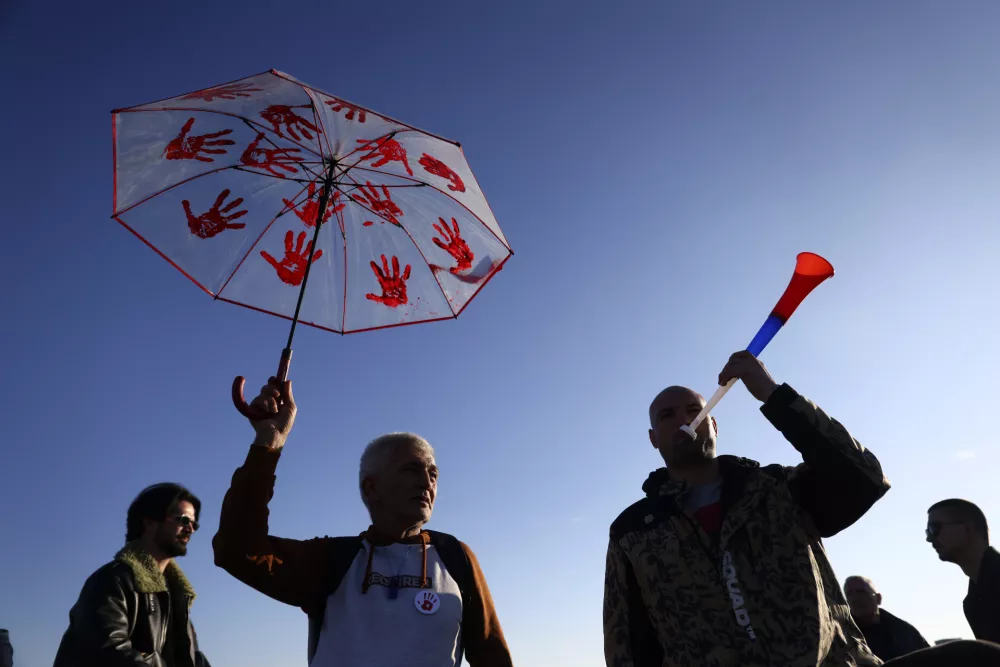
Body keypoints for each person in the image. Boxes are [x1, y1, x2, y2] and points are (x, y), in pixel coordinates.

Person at [603, 351, 890, 666]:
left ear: (713, 424)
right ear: (653, 438)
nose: (683, 420)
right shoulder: (633, 530)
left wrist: (773, 394)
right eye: (666, 415)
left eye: (693, 410)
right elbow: (628, 642)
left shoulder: (779, 488)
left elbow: (864, 477)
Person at [213, 378, 513, 667]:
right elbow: (237, 550)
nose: (426, 483)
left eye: (433, 474)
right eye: (411, 470)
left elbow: (493, 657)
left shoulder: (455, 557)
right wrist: (269, 442)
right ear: (371, 488)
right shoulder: (334, 559)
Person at [53, 483, 211, 667]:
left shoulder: (178, 596)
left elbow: (192, 660)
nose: (190, 529)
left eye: (194, 524)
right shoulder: (113, 580)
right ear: (150, 522)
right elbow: (109, 653)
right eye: (183, 520)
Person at [926, 498, 1000, 643]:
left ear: (967, 528)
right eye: (927, 531)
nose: (929, 538)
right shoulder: (972, 600)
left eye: (934, 528)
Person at [844, 576, 929, 660]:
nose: (855, 598)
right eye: (849, 594)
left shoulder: (905, 632)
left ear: (878, 598)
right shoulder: (841, 636)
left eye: (861, 592)